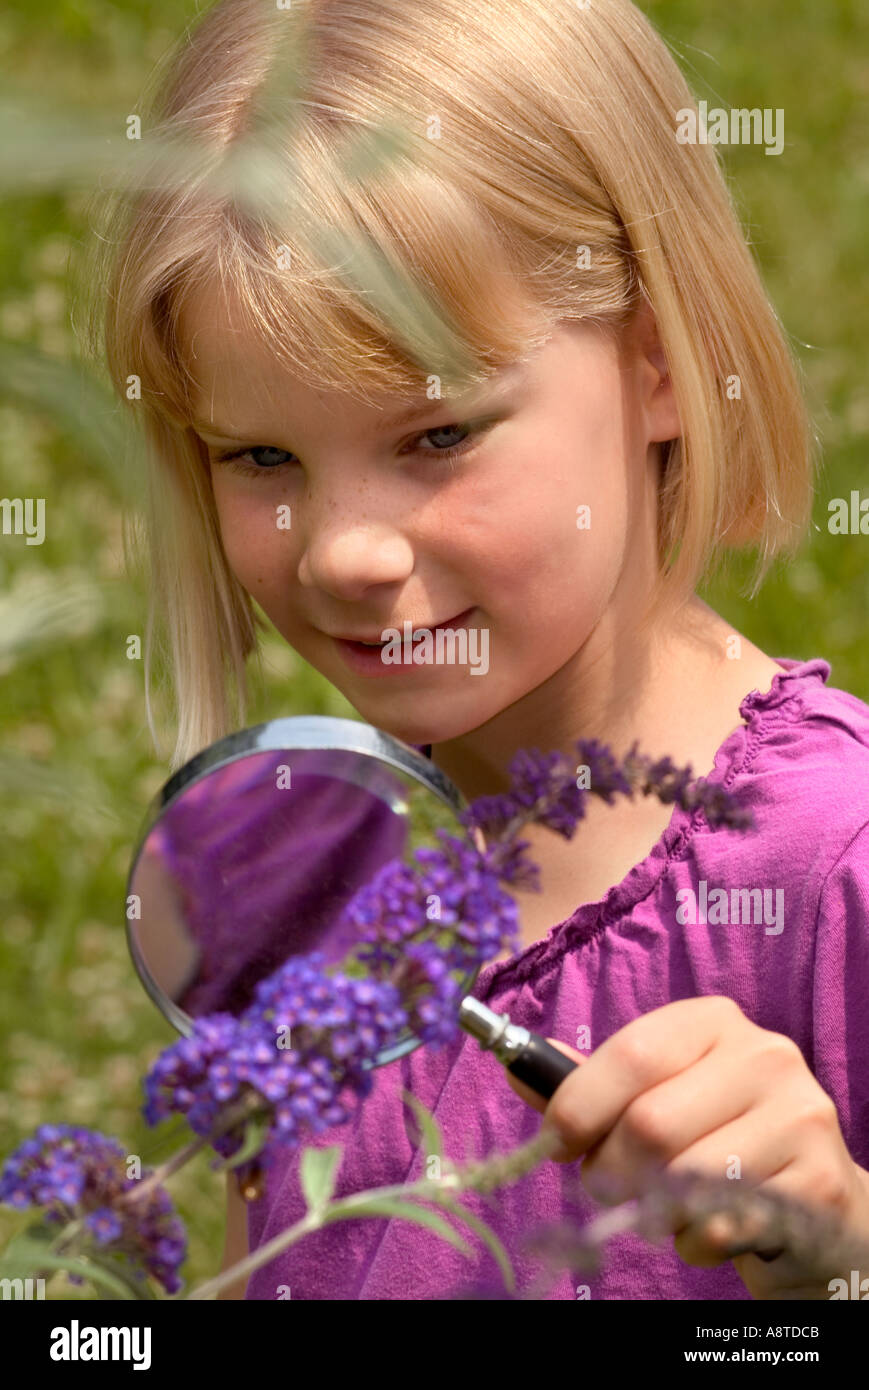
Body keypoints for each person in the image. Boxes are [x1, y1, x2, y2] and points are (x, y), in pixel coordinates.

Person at [89, 0, 869, 1299]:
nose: (344, 550)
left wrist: (841, 1254)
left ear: (662, 363)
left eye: (437, 435)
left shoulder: (830, 872)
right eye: (259, 455)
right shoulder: (284, 868)